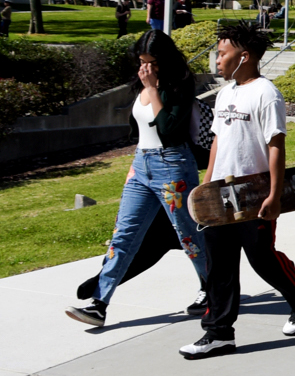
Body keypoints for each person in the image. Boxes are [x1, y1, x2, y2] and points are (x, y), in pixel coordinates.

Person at [180, 22, 295, 360]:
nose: (217, 59)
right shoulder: (226, 92)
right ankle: (218, 334)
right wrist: (208, 185)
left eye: (223, 53)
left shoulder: (266, 93)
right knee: (219, 264)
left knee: (262, 258)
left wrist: (275, 194)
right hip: (221, 195)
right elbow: (217, 140)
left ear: (244, 57)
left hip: (254, 192)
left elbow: (275, 145)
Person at [64, 30, 210, 328]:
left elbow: (169, 131)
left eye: (153, 62)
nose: (146, 68)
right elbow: (141, 129)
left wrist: (154, 90)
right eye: (142, 62)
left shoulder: (179, 85)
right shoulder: (141, 84)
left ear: (165, 60)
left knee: (188, 235)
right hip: (141, 166)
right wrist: (135, 165)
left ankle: (212, 287)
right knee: (124, 236)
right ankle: (99, 304)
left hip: (173, 167)